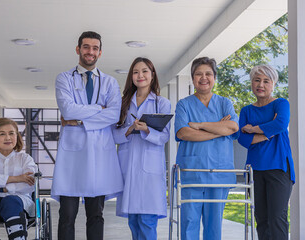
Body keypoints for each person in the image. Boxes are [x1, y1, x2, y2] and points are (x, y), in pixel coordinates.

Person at [52, 31, 123, 240]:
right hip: (71, 160)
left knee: (96, 215)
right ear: (78, 49)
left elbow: (114, 114)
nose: (90, 52)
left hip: (98, 157)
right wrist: (99, 109)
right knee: (67, 215)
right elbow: (67, 110)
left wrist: (80, 120)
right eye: (86, 47)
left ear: (100, 52)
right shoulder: (64, 78)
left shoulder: (110, 82)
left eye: (94, 48)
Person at [174, 57, 239, 240]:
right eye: (198, 74)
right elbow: (184, 133)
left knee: (214, 226)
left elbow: (233, 127)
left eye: (208, 73)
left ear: (214, 77)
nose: (204, 78)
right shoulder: (184, 105)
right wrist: (219, 129)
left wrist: (200, 125)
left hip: (219, 173)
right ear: (193, 78)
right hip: (191, 173)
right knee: (189, 224)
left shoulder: (224, 103)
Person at [112, 57, 171, 240]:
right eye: (136, 72)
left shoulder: (161, 103)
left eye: (145, 71)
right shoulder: (122, 103)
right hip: (128, 166)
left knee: (147, 220)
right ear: (131, 76)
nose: (140, 75)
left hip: (150, 170)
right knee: (134, 221)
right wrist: (130, 129)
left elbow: (164, 136)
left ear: (152, 75)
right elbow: (113, 135)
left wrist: (146, 130)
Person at [237, 65, 294, 240]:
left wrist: (254, 129)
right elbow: (242, 138)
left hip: (278, 168)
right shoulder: (247, 110)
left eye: (266, 81)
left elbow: (281, 124)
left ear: (273, 84)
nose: (260, 84)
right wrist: (268, 132)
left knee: (277, 218)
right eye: (257, 80)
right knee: (261, 219)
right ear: (252, 83)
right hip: (254, 170)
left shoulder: (280, 103)